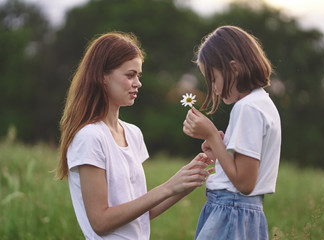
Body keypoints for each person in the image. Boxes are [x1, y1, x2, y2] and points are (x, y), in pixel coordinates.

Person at [55, 32, 214, 240]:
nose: (138, 83)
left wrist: (186, 182)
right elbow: (100, 222)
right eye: (130, 75)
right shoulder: (90, 137)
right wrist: (169, 186)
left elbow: (142, 213)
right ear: (102, 76)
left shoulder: (133, 133)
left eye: (138, 75)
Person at [183, 25, 281, 240]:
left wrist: (210, 136)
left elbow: (244, 183)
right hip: (244, 212)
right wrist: (221, 149)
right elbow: (244, 169)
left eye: (213, 79)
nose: (214, 89)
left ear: (234, 69)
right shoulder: (262, 103)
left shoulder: (247, 108)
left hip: (231, 210)